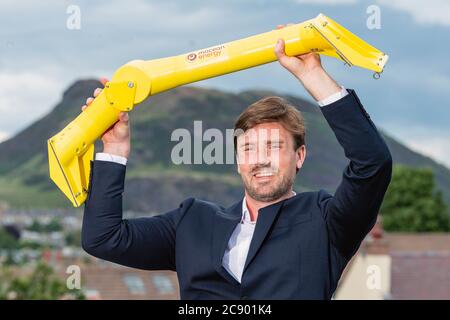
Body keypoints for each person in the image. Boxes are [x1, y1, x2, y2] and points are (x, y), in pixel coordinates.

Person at [81, 26, 392, 299]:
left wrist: (312, 74)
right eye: (248, 148)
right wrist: (115, 146)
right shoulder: (192, 222)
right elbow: (104, 239)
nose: (260, 160)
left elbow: (372, 163)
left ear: (299, 156)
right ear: (237, 160)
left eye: (273, 146)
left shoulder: (327, 222)